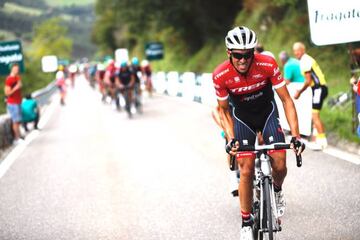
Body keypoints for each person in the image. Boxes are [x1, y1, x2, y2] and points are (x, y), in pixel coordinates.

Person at [213, 26, 305, 239]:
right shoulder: (221, 75)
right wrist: (231, 139)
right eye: (238, 55)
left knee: (280, 164)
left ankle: (277, 189)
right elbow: (224, 111)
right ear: (229, 53)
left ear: (253, 52)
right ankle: (246, 221)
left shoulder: (267, 64)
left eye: (247, 55)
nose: (243, 60)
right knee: (245, 169)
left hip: (267, 114)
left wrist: (297, 136)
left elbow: (286, 100)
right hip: (241, 118)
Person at [293, 42, 328, 149]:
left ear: (303, 50)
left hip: (318, 88)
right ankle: (321, 138)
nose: (296, 53)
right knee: (316, 114)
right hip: (319, 88)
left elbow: (308, 81)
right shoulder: (306, 59)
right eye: (294, 51)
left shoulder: (305, 60)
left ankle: (322, 142)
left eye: (298, 51)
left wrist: (299, 92)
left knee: (314, 115)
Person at [4, 63, 23, 144]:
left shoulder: (17, 77)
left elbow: (20, 85)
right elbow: (7, 93)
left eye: (17, 69)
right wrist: (15, 88)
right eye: (15, 69)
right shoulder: (9, 79)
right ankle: (17, 138)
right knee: (15, 121)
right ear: (11, 69)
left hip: (18, 101)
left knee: (18, 121)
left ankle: (20, 136)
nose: (17, 70)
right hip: (12, 103)